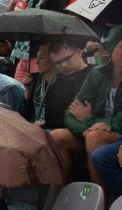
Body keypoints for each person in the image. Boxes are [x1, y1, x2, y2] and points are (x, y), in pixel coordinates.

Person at [52, 26, 122, 186]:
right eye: (121, 47)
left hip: (115, 133)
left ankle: (98, 202)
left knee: (95, 136)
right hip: (94, 129)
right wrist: (85, 130)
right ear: (112, 49)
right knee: (57, 136)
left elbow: (119, 122)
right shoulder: (98, 73)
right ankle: (62, 196)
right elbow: (70, 113)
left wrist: (89, 119)